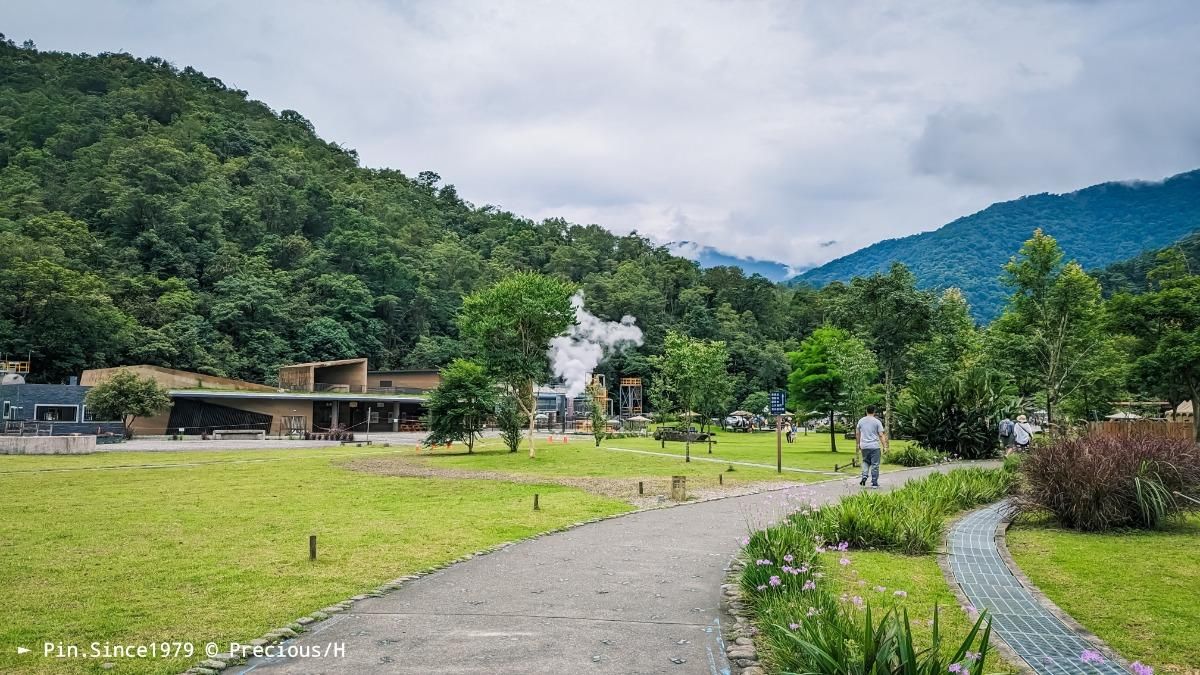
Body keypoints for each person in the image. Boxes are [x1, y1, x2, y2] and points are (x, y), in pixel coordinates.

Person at [855, 405, 887, 488]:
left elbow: (858, 433)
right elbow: (881, 435)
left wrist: (858, 443)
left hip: (864, 446)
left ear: (866, 411)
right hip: (874, 446)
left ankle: (864, 475)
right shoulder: (877, 422)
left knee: (865, 461)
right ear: (874, 411)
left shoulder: (861, 421)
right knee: (875, 464)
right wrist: (885, 446)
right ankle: (874, 482)